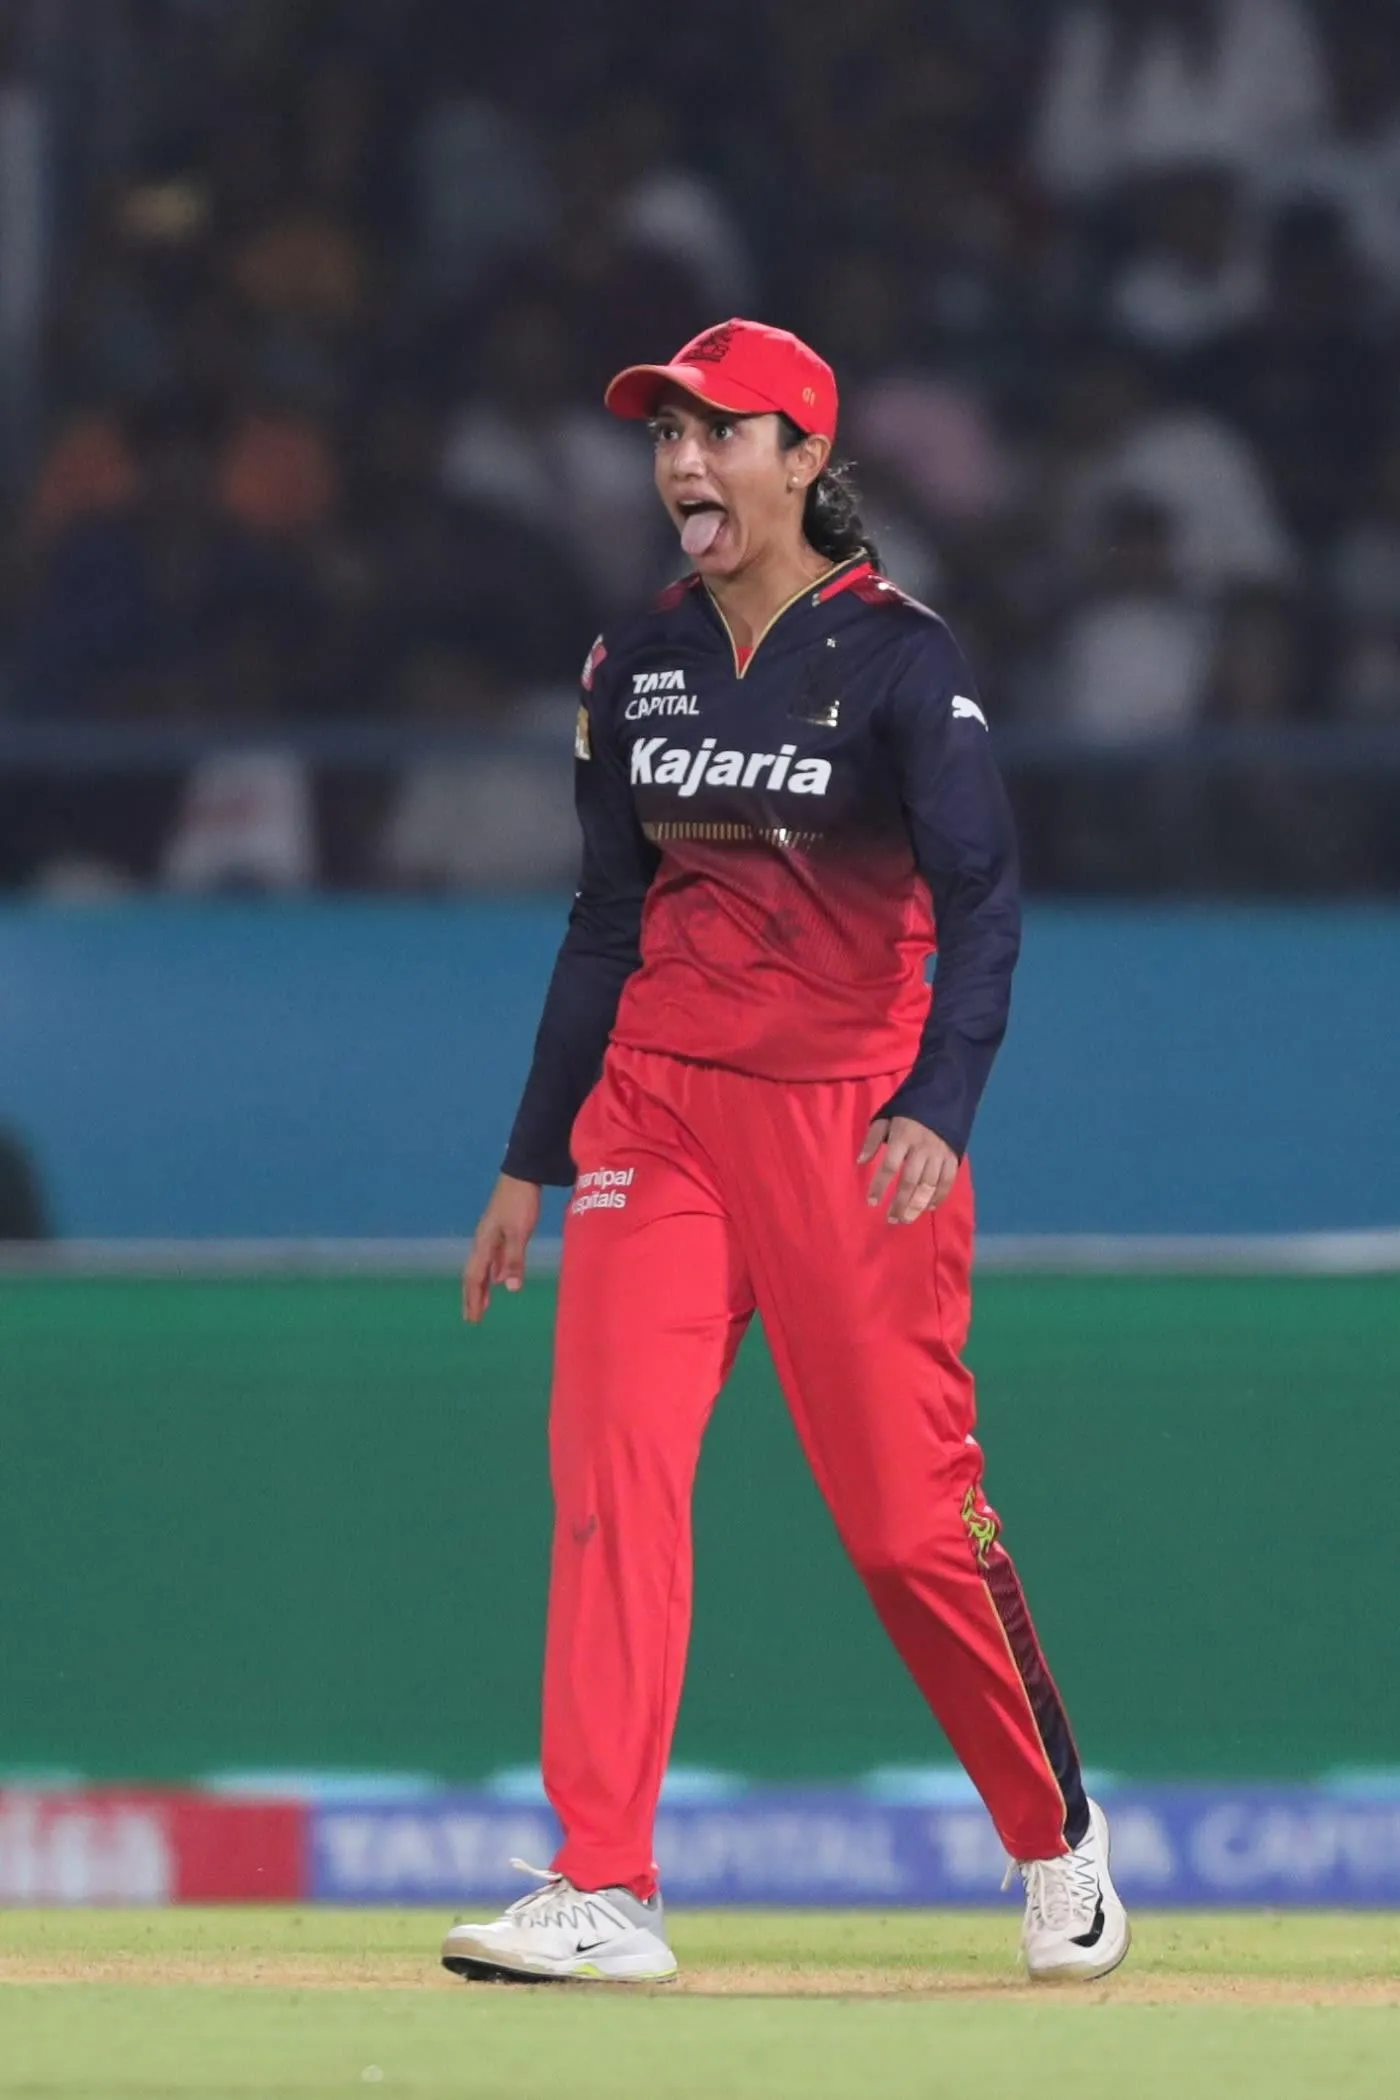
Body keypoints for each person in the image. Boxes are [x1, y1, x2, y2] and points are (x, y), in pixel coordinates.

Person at [442, 320, 1131, 1988]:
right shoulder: (638, 665)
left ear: (808, 459)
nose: (684, 464)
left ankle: (1056, 1840)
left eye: (720, 434)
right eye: (667, 435)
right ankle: (601, 1882)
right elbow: (609, 920)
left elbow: (985, 908)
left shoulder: (901, 663)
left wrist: (937, 1103)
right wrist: (532, 1156)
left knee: (907, 1524)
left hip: (853, 1125)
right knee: (613, 1473)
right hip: (658, 1114)